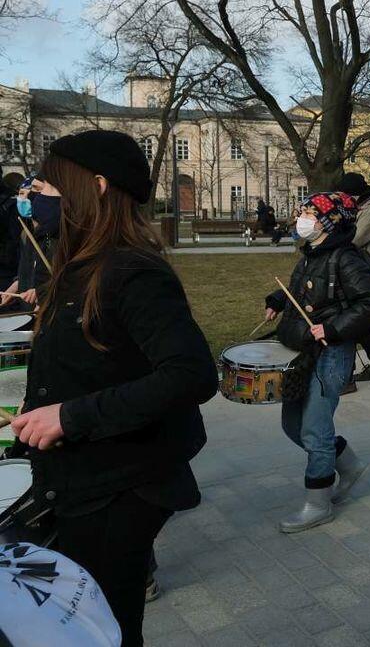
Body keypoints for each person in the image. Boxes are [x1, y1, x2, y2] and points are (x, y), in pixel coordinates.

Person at [8, 130, 218, 646]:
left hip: (120, 486)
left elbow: (190, 374)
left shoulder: (131, 271)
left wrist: (69, 416)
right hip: (82, 477)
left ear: (96, 186)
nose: (34, 196)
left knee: (106, 628)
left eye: (47, 186)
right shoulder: (77, 265)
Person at [264, 192, 370, 532]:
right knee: (293, 425)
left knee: (315, 430)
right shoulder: (311, 254)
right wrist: (278, 300)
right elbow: (300, 291)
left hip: (331, 353)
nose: (301, 218)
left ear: (330, 222)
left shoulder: (346, 259)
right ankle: (349, 465)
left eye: (309, 213)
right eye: (302, 211)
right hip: (303, 350)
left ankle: (318, 504)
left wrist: (332, 328)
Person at [335, 172, 370, 392]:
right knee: (362, 324)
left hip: (363, 271)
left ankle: (347, 379)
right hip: (354, 269)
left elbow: (354, 239)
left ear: (355, 195)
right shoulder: (358, 208)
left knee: (349, 322)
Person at [1, 176, 57, 312]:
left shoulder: (54, 235)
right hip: (27, 307)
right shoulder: (26, 232)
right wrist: (16, 285)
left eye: (36, 190)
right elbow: (26, 267)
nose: (26, 196)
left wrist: (42, 292)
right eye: (21, 193)